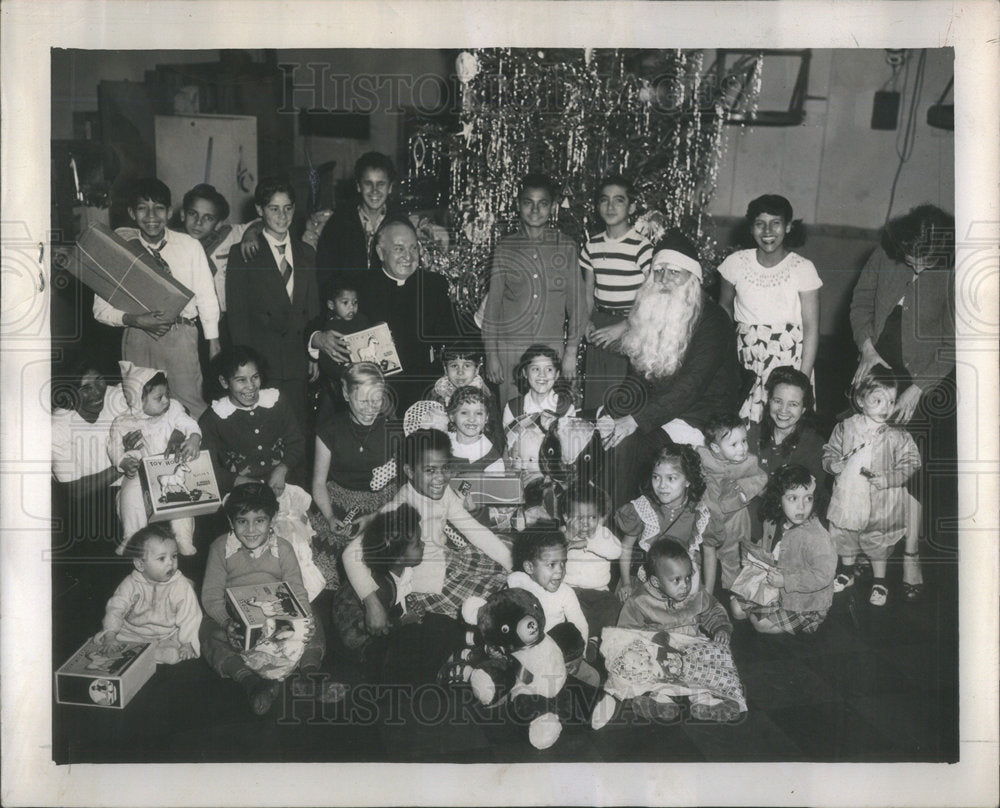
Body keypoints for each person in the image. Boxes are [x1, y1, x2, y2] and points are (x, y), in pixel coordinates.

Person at [848, 204, 955, 602]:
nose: (916, 267)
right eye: (911, 258)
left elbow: (955, 341)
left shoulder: (955, 270)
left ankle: (910, 555)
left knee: (910, 469)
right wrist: (866, 350)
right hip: (876, 366)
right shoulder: (883, 253)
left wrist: (918, 388)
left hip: (924, 380)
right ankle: (863, 546)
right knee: (864, 461)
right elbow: (860, 304)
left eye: (925, 261)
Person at [597, 231, 741, 508]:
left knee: (628, 443)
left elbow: (692, 386)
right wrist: (616, 410)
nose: (663, 280)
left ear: (692, 278)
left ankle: (619, 526)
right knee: (598, 426)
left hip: (697, 416)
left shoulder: (713, 321)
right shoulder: (654, 311)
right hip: (659, 410)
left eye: (673, 272)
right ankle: (587, 515)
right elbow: (637, 375)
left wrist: (635, 420)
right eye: (658, 272)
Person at [341, 429, 512, 636]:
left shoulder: (444, 493)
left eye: (445, 468)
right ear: (410, 471)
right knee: (494, 604)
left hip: (448, 559)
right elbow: (350, 554)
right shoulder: (400, 507)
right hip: (430, 583)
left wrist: (512, 564)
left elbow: (474, 530)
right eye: (430, 470)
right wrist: (372, 603)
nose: (440, 478)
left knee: (509, 552)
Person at [199, 483, 345, 715]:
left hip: (277, 616)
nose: (250, 529)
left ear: (272, 520)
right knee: (208, 632)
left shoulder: (283, 548)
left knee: (313, 621)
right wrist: (227, 623)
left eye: (259, 520)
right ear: (230, 522)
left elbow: (297, 589)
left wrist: (305, 619)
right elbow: (211, 596)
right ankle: (253, 684)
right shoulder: (220, 548)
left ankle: (309, 675)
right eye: (241, 521)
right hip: (236, 618)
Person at [198, 346, 325, 601]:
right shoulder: (214, 417)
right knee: (254, 540)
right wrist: (237, 480)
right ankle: (259, 596)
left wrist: (283, 467)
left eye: (255, 377)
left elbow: (296, 442)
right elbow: (207, 467)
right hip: (241, 494)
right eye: (241, 380)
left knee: (290, 538)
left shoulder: (276, 402)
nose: (250, 386)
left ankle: (300, 597)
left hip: (281, 487)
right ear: (224, 382)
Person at [93, 178, 221, 419]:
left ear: (170, 212)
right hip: (138, 335)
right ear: (132, 212)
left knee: (190, 406)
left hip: (181, 335)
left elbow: (206, 296)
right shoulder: (120, 249)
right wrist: (136, 320)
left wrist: (213, 342)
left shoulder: (189, 246)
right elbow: (100, 309)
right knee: (141, 409)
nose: (151, 215)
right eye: (142, 208)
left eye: (159, 208)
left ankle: (197, 455)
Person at [312, 218, 459, 413]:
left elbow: (453, 336)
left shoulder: (434, 284)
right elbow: (319, 322)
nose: (408, 256)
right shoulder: (360, 287)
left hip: (425, 389)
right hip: (375, 392)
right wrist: (317, 338)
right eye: (399, 249)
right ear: (381, 253)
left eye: (413, 248)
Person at [593, 538, 736, 725]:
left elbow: (713, 610)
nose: (685, 585)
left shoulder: (695, 595)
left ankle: (704, 701)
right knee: (640, 669)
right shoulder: (640, 601)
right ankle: (658, 700)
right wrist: (646, 649)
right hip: (657, 653)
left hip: (689, 647)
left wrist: (721, 627)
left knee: (713, 660)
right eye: (676, 580)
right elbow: (626, 633)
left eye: (688, 577)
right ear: (656, 581)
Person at [483, 173, 588, 405]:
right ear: (519, 205)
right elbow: (493, 308)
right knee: (512, 418)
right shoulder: (505, 248)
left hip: (550, 352)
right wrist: (492, 355)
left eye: (542, 204)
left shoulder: (567, 247)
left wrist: (570, 352)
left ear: (552, 207)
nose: (535, 210)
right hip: (511, 350)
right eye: (528, 202)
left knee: (550, 417)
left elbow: (578, 306)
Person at [717, 194, 822, 423]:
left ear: (788, 226)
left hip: (789, 358)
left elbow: (811, 328)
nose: (767, 231)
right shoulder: (735, 263)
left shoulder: (802, 268)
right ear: (751, 227)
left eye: (775, 223)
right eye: (759, 224)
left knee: (783, 422)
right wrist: (727, 359)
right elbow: (723, 309)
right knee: (743, 425)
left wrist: (802, 379)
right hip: (747, 358)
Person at [822, 367, 921, 607]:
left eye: (890, 401)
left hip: (880, 501)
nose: (885, 408)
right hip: (849, 496)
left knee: (878, 540)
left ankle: (880, 580)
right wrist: (832, 465)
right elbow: (830, 451)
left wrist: (890, 478)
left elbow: (912, 460)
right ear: (860, 400)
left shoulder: (896, 433)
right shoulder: (845, 427)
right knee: (844, 535)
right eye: (877, 400)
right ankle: (847, 572)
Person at [226, 178, 319, 430]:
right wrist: (246, 367)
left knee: (297, 429)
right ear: (259, 210)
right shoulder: (242, 254)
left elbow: (313, 309)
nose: (282, 216)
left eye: (288, 208)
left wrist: (314, 355)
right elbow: (237, 315)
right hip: (262, 360)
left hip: (297, 359)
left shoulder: (307, 253)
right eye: (274, 209)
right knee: (264, 431)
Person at [310, 363, 398, 587]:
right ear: (346, 394)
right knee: (327, 560)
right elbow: (319, 483)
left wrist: (375, 516)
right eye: (363, 401)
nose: (371, 409)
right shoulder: (329, 430)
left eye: (377, 400)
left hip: (383, 501)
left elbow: (403, 486)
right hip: (339, 499)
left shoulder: (394, 430)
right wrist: (329, 517)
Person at [108, 362, 201, 556]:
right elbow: (114, 446)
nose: (166, 400)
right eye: (159, 397)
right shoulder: (123, 422)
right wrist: (123, 462)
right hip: (139, 471)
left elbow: (188, 423)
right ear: (137, 400)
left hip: (169, 465)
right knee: (131, 497)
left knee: (180, 498)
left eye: (167, 394)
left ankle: (183, 538)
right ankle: (132, 536)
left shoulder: (173, 410)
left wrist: (193, 437)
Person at [731, 465, 837, 635]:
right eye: (792, 498)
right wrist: (753, 559)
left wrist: (786, 581)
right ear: (779, 499)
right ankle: (765, 610)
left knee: (760, 624)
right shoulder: (772, 521)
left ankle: (788, 617)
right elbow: (767, 547)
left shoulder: (816, 536)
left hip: (804, 601)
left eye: (808, 498)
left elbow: (823, 575)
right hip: (775, 586)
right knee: (736, 609)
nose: (801, 507)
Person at [580, 175, 653, 411]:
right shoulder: (592, 245)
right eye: (604, 200)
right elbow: (588, 292)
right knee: (595, 396)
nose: (610, 207)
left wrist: (623, 326)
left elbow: (651, 298)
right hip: (599, 324)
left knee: (620, 397)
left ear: (631, 207)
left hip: (631, 324)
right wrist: (586, 321)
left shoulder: (642, 247)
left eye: (618, 201)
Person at [95, 524, 202, 664]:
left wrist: (187, 643)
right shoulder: (130, 584)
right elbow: (115, 609)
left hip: (166, 634)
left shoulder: (181, 585)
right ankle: (135, 650)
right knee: (104, 638)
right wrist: (110, 635)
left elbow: (190, 616)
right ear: (140, 565)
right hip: (133, 633)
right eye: (162, 558)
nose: (171, 563)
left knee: (173, 651)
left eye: (174, 556)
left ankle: (151, 653)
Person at [51, 357, 127, 552]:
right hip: (93, 499)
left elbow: (169, 406)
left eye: (99, 380)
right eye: (85, 388)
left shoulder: (118, 395)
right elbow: (74, 490)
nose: (97, 392)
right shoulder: (59, 425)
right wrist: (122, 464)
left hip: (131, 485)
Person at [508, 530, 601, 686]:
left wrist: (579, 656)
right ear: (530, 567)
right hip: (526, 651)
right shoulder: (518, 583)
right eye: (551, 565)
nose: (560, 570)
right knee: (516, 682)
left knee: (593, 677)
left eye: (563, 563)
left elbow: (579, 624)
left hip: (559, 651)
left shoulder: (565, 592)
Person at [746, 366, 828, 537]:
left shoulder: (813, 445)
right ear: (769, 401)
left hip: (794, 525)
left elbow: (807, 502)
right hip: (754, 522)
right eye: (778, 401)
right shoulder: (753, 435)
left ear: (803, 409)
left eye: (793, 404)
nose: (783, 410)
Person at [696, 413, 769, 596]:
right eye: (734, 444)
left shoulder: (749, 462)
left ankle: (734, 590)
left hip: (735, 517)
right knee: (701, 550)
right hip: (708, 514)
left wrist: (743, 490)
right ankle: (698, 585)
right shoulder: (703, 457)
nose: (742, 448)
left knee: (733, 554)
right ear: (715, 448)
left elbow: (761, 477)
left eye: (744, 441)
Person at [561, 483, 622, 658]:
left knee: (614, 607)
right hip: (569, 590)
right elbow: (551, 555)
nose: (586, 523)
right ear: (566, 518)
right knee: (569, 613)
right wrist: (569, 538)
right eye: (579, 518)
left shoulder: (602, 534)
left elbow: (616, 551)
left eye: (592, 517)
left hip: (599, 592)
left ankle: (595, 639)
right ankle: (582, 640)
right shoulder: (563, 534)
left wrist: (589, 543)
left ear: (601, 519)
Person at [315, 151, 400, 273]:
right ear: (359, 186)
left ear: (390, 187)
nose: (374, 191)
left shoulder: (399, 223)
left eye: (381, 184)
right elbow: (325, 270)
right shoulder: (339, 222)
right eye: (368, 184)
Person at [501, 344, 577, 429]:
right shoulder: (512, 408)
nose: (542, 375)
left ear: (557, 375)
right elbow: (508, 439)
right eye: (535, 369)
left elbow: (568, 440)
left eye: (549, 369)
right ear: (525, 373)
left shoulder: (566, 408)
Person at [314, 279, 371, 384]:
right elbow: (326, 362)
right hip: (342, 379)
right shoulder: (329, 329)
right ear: (331, 305)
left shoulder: (362, 320)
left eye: (355, 302)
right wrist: (343, 375)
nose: (352, 307)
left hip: (366, 375)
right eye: (345, 302)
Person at [446, 385, 504, 474]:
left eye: (479, 413)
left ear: (486, 418)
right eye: (464, 412)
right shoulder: (442, 445)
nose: (472, 419)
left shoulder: (492, 459)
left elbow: (495, 487)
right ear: (452, 416)